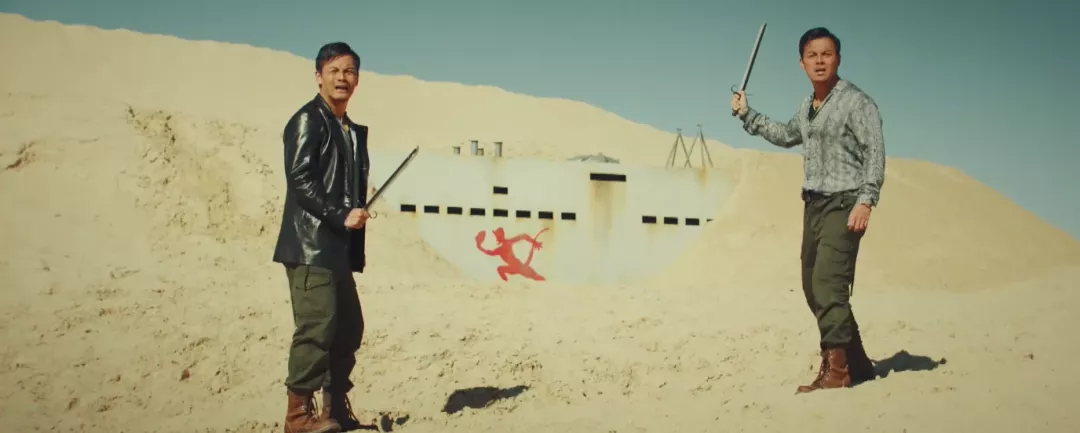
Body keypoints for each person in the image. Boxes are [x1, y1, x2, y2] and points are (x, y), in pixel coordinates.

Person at [730, 27, 883, 394]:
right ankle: (858, 363)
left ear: (838, 59)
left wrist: (866, 200)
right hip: (813, 204)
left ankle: (837, 371)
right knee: (812, 286)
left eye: (826, 54)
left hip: (844, 202)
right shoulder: (807, 107)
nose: (819, 61)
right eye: (812, 55)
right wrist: (747, 114)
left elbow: (875, 151)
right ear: (801, 63)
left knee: (829, 284)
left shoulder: (857, 102)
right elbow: (786, 135)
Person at [272, 42, 372, 432]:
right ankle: (298, 417)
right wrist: (340, 214)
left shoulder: (350, 130)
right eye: (334, 71)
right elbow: (300, 180)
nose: (342, 78)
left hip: (337, 248)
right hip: (309, 245)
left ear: (357, 79)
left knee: (348, 328)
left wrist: (354, 212)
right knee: (317, 328)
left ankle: (334, 413)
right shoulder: (307, 120)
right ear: (318, 77)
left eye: (349, 71)